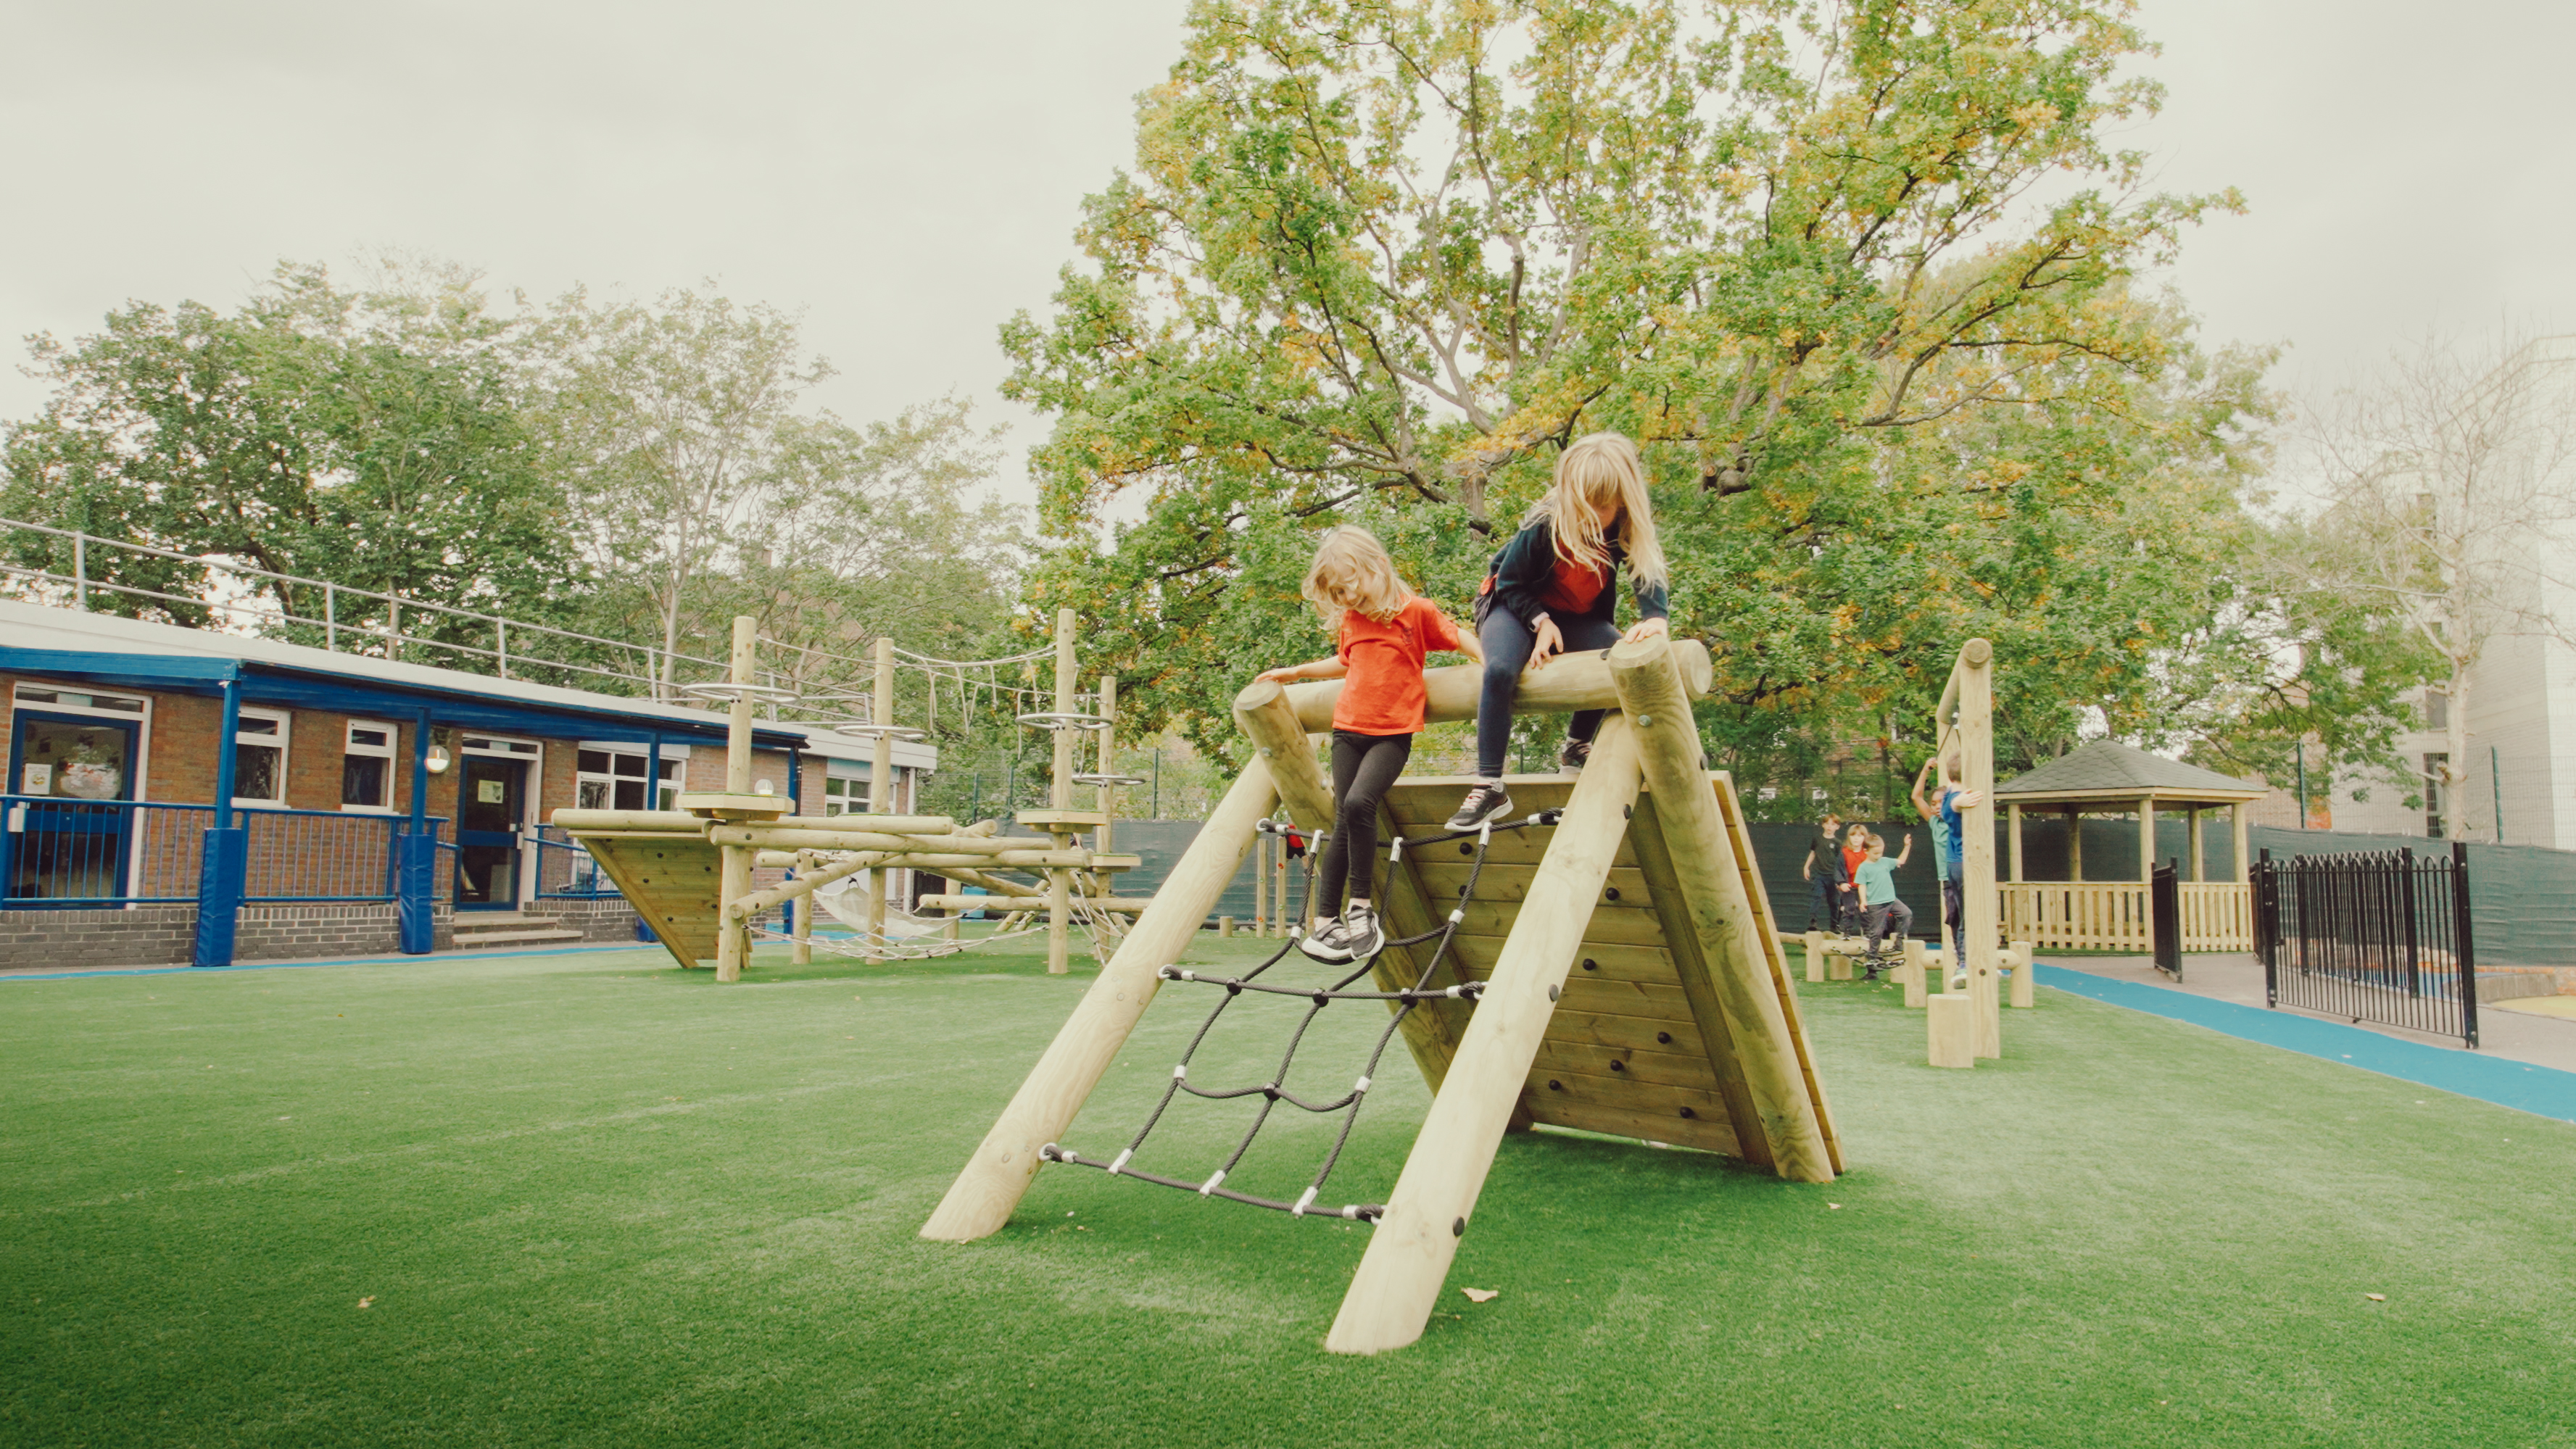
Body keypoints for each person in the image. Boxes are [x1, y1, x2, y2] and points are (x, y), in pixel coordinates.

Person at [1259, 526, 1481, 963]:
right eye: (1337, 592)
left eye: (1349, 585)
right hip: (1348, 731)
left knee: (1360, 802)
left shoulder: (1416, 612)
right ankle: (1326, 923)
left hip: (1392, 735)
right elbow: (1346, 662)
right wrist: (1296, 672)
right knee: (1342, 815)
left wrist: (1490, 664)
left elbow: (1455, 636)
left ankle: (1361, 908)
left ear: (1377, 566)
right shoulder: (1353, 620)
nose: (1345, 598)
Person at [1445, 432, 1670, 831]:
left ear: (1621, 500)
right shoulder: (1546, 519)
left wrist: (1656, 617)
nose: (1588, 516)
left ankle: (1575, 746)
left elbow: (1646, 568)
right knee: (1498, 670)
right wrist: (1540, 621)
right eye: (1581, 507)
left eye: (1600, 507)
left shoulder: (1624, 523)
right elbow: (1511, 582)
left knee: (1616, 656)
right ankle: (1490, 783)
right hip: (1513, 606)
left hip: (1572, 615)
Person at [1911, 758, 1984, 988]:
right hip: (1948, 877)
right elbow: (1916, 797)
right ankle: (1961, 957)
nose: (1934, 806)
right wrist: (1925, 769)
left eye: (1939, 802)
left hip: (1960, 869)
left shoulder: (1958, 816)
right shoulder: (1935, 822)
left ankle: (1968, 958)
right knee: (1955, 918)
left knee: (1965, 916)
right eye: (1933, 803)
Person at [1852, 829, 1914, 979]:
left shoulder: (1885, 861)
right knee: (1876, 933)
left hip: (1891, 900)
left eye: (1881, 852)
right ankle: (1871, 966)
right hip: (1875, 904)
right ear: (1866, 851)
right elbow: (1862, 885)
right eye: (1876, 853)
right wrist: (1863, 901)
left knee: (1907, 914)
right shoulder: (1864, 867)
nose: (1879, 856)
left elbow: (1901, 861)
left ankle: (1899, 943)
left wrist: (1906, 846)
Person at [1800, 810, 1846, 932]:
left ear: (1837, 827)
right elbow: (1813, 853)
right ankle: (1813, 922)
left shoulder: (1837, 843)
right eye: (1827, 824)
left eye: (1833, 824)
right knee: (1816, 898)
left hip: (1833, 877)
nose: (1830, 827)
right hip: (1819, 875)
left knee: (1834, 902)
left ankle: (1834, 925)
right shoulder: (1817, 839)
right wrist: (1806, 867)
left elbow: (1841, 861)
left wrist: (1840, 879)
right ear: (1823, 825)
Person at [1837, 822, 1871, 935]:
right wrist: (1842, 883)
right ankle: (1846, 931)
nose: (1856, 839)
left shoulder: (1867, 853)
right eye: (1853, 836)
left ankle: (1867, 932)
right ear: (1849, 837)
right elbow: (1838, 869)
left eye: (1859, 836)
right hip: (1849, 886)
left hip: (1864, 887)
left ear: (1864, 838)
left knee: (1865, 909)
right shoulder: (1844, 852)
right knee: (1849, 909)